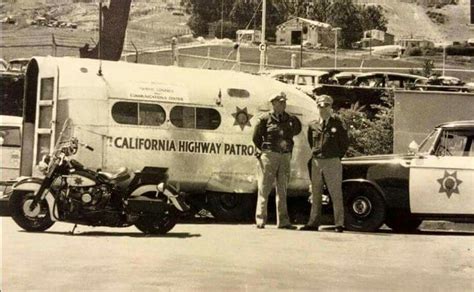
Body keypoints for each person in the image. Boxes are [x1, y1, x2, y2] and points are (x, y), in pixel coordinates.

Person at [253, 92, 302, 230]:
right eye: (280, 102)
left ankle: (283, 221)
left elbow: (297, 130)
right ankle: (260, 219)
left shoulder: (290, 119)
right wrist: (264, 150)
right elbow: (256, 138)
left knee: (283, 189)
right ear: (273, 103)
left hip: (285, 155)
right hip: (269, 155)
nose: (283, 104)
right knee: (264, 188)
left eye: (284, 102)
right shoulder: (264, 119)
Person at [301, 95, 349, 233]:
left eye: (326, 106)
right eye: (320, 106)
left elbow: (344, 143)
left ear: (330, 107)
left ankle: (339, 223)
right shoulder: (313, 125)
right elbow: (311, 141)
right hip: (317, 161)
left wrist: (335, 156)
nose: (323, 109)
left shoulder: (338, 124)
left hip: (332, 160)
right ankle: (313, 222)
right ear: (317, 107)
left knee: (335, 193)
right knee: (316, 193)